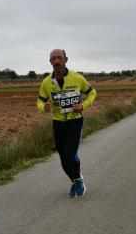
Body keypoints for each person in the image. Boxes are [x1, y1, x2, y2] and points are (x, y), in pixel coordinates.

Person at [37, 49, 97, 198]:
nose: (57, 61)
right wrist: (44, 108)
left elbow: (92, 93)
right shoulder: (46, 83)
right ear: (50, 62)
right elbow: (40, 101)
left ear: (65, 60)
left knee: (70, 153)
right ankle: (76, 181)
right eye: (53, 59)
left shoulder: (77, 78)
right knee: (63, 156)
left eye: (59, 58)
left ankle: (78, 182)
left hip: (75, 121)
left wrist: (83, 105)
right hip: (58, 123)